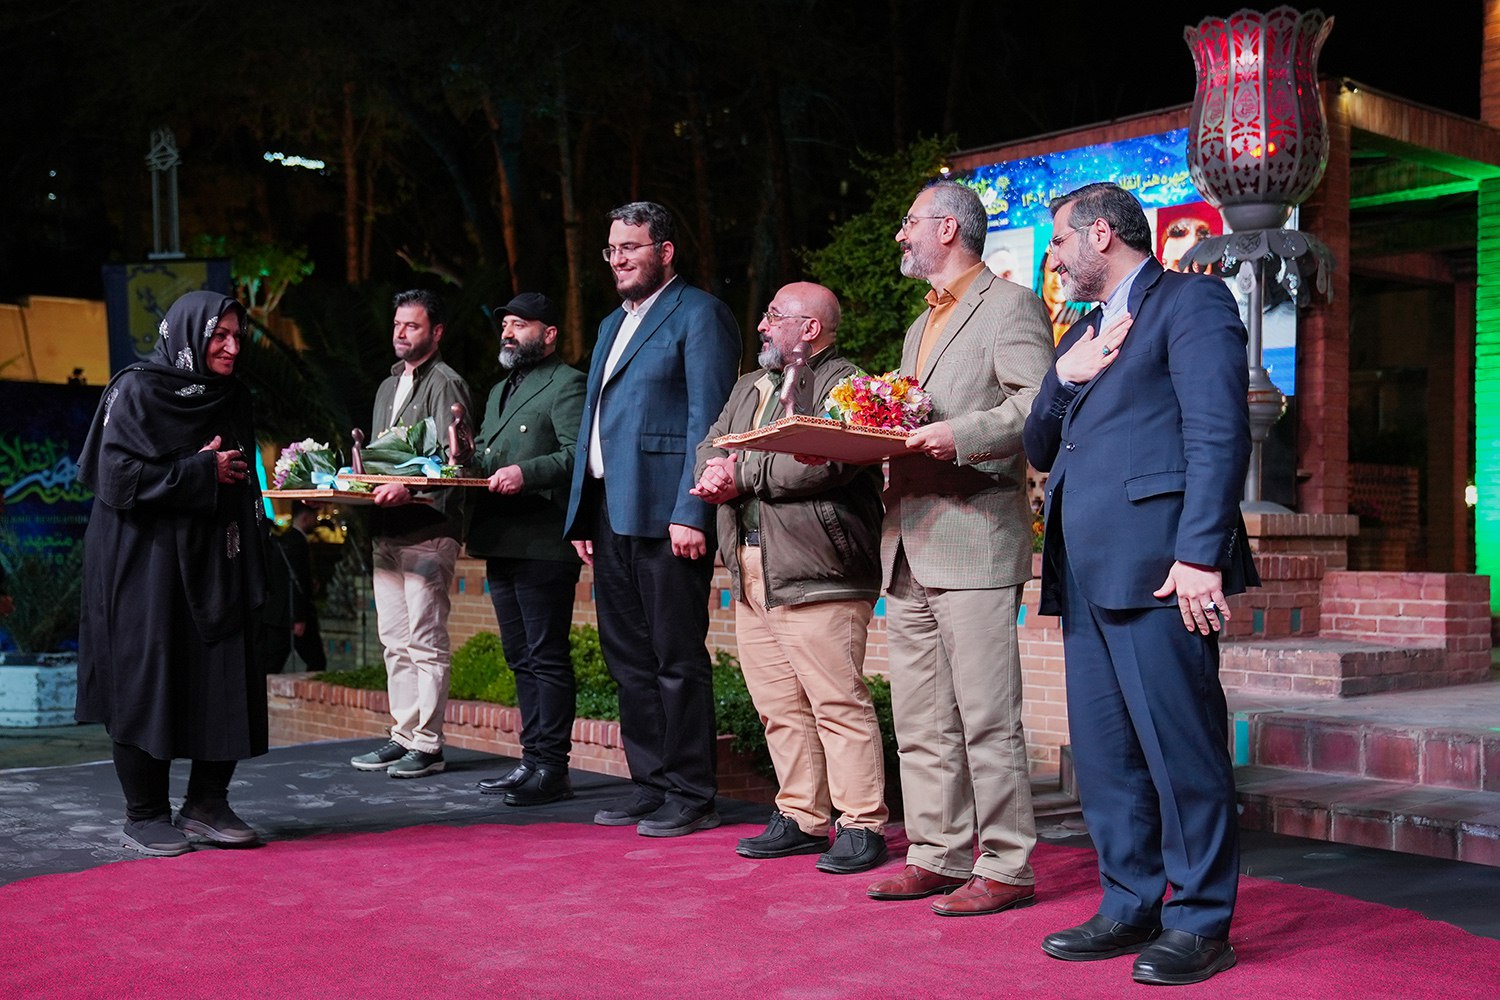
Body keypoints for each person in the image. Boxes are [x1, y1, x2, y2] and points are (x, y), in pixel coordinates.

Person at [1022, 182, 1257, 986]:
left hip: (1162, 570)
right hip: (1084, 572)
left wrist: (1200, 554)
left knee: (1181, 751)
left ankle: (1201, 922)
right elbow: (1040, 446)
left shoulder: (1191, 302)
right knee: (1107, 756)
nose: (1053, 258)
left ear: (1100, 234)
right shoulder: (1081, 332)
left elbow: (1217, 433)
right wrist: (1064, 376)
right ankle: (1129, 903)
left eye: (1059, 241)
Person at [865, 180, 1054, 916]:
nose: (901, 235)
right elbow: (908, 422)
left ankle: (1007, 865)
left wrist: (961, 435)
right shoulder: (920, 325)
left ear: (947, 228)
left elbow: (1037, 403)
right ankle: (936, 855)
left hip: (975, 534)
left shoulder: (1011, 305)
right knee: (920, 723)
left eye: (909, 222)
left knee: (987, 718)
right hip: (909, 540)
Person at [691, 281, 888, 874]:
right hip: (751, 565)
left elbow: (820, 464)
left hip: (821, 567)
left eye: (774, 315)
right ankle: (802, 815)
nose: (762, 325)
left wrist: (739, 475)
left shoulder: (846, 383)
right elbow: (711, 443)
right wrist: (713, 470)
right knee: (779, 706)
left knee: (837, 703)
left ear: (810, 328)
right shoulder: (751, 385)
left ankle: (862, 823)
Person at [563, 201, 739, 837]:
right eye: (612, 249)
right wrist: (584, 513)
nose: (618, 259)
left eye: (631, 247)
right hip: (610, 512)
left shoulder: (700, 313)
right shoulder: (611, 323)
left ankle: (692, 794)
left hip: (669, 514)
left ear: (665, 251)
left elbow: (709, 419)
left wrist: (693, 509)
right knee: (629, 660)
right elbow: (595, 423)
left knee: (675, 659)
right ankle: (651, 783)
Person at [76, 290, 267, 856]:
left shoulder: (233, 396)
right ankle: (145, 813)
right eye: (218, 336)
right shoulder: (137, 390)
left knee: (224, 672)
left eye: (237, 336)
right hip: (146, 563)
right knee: (147, 675)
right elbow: (115, 477)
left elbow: (243, 476)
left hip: (217, 557)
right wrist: (199, 471)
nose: (232, 347)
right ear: (188, 334)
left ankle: (207, 803)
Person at [349, 289, 474, 779]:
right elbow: (382, 461)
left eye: (413, 326)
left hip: (429, 527)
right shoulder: (387, 387)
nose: (401, 333)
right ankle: (403, 735)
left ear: (436, 333)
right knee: (394, 641)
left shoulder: (446, 383)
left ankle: (428, 743)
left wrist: (412, 489)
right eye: (398, 324)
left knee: (425, 639)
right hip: (388, 529)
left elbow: (456, 462)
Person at [469, 293, 587, 806]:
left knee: (545, 655)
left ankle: (553, 768)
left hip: (543, 538)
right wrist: (459, 459)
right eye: (505, 324)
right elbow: (487, 453)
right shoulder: (499, 389)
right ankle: (532, 760)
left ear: (550, 333)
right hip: (501, 535)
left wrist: (526, 473)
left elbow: (576, 455)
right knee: (520, 657)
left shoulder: (568, 383)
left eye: (520, 324)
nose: (508, 332)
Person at [261, 501, 325, 675]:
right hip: (291, 614)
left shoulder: (285, 540)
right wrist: (299, 616)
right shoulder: (297, 543)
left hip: (278, 614)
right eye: (314, 517)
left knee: (272, 663)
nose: (316, 521)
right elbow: (297, 580)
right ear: (305, 517)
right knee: (316, 661)